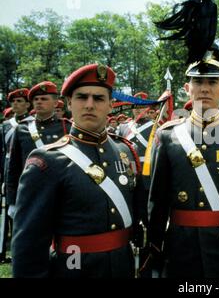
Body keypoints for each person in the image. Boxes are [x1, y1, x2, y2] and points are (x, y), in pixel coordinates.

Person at [145, 0, 219, 278]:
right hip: (178, 247)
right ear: (187, 88)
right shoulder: (168, 136)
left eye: (213, 82)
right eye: (198, 81)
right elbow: (156, 205)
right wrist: (155, 258)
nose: (205, 88)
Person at [12, 63, 147, 277]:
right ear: (68, 103)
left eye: (99, 98)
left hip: (122, 266)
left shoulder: (125, 151)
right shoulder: (47, 160)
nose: (90, 105)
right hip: (74, 268)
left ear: (111, 105)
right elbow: (29, 243)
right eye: (82, 97)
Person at [5, 82, 71, 218]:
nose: (39, 102)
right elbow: (14, 167)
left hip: (61, 192)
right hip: (30, 193)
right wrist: (12, 201)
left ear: (55, 102)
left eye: (44, 99)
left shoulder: (67, 127)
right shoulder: (22, 129)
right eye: (36, 99)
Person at [0, 88, 31, 264]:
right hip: (8, 172)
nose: (16, 104)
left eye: (20, 101)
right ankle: (4, 250)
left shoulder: (32, 125)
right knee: (7, 214)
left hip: (26, 170)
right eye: (14, 102)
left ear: (27, 104)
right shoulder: (5, 126)